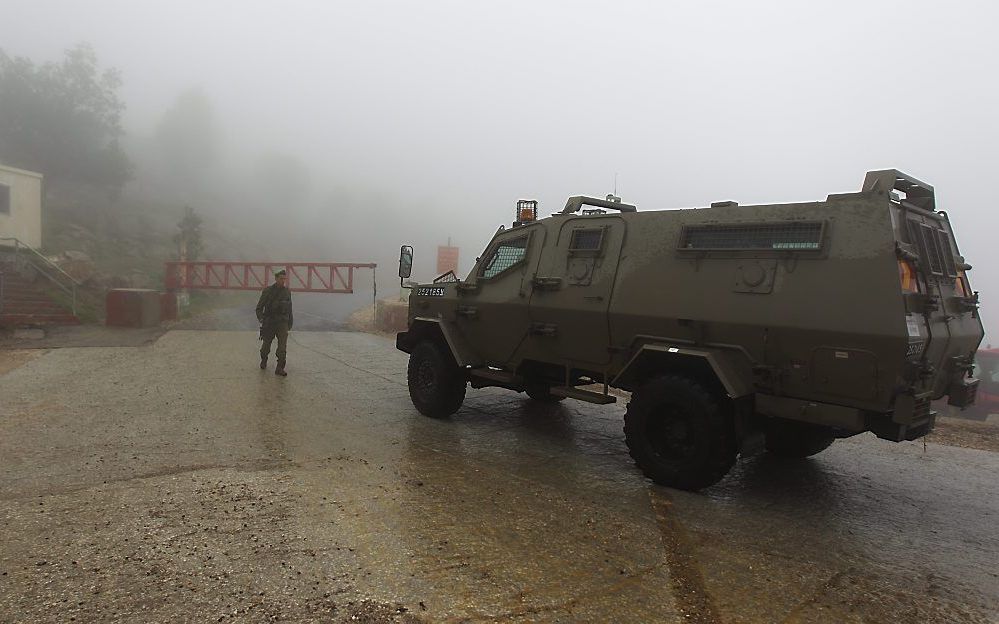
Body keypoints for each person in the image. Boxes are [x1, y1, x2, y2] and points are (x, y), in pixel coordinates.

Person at [256, 269, 294, 376]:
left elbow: (289, 308)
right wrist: (262, 319)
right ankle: (264, 359)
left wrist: (290, 322)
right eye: (281, 279)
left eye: (284, 279)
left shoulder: (287, 292)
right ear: (276, 278)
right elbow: (259, 308)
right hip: (270, 322)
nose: (283, 281)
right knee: (266, 346)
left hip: (282, 323)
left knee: (282, 347)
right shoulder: (268, 291)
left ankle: (280, 367)